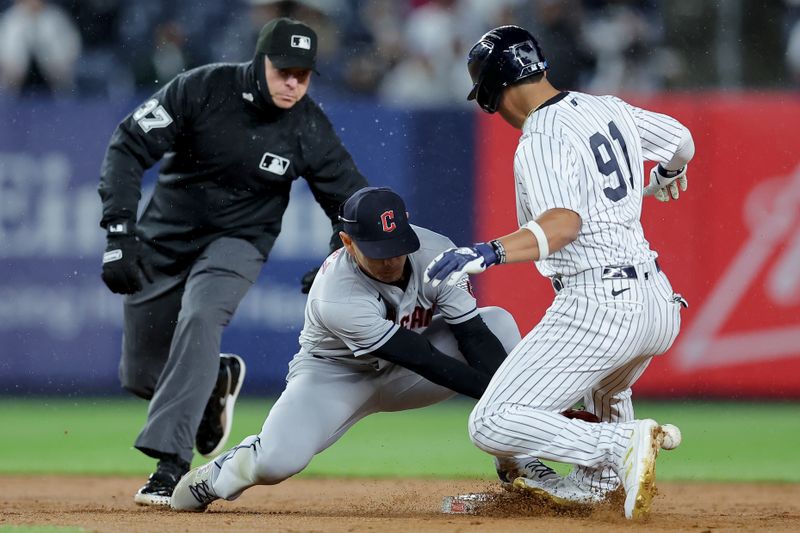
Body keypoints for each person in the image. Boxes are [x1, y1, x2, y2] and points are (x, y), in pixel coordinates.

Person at [424, 25, 692, 520]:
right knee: (607, 390)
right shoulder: (607, 106)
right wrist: (667, 177)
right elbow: (682, 141)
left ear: (496, 89)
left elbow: (563, 223)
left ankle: (621, 445)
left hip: (601, 302)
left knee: (493, 423)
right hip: (656, 301)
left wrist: (488, 252)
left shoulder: (540, 135)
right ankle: (601, 487)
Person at [97, 18, 368, 506]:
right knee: (139, 375)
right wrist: (120, 230)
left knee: (202, 315)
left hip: (238, 241)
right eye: (284, 70)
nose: (293, 82)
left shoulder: (308, 125)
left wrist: (337, 256)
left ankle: (170, 467)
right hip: (163, 237)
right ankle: (213, 378)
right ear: (259, 59)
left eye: (304, 74)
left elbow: (352, 200)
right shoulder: (202, 89)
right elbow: (128, 145)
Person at [169, 186, 559, 511]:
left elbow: (473, 337)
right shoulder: (336, 293)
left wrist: (517, 407)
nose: (390, 258)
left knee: (498, 321)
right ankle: (220, 474)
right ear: (347, 241)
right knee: (275, 463)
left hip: (409, 370)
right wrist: (514, 403)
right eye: (377, 248)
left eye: (397, 243)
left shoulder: (437, 252)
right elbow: (423, 359)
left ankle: (515, 458)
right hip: (335, 377)